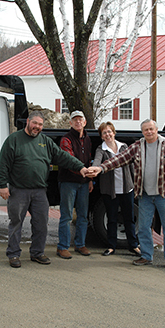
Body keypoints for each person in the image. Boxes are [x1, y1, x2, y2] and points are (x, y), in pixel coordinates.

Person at [88, 119, 165, 271]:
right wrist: (101, 168)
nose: (149, 132)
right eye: (145, 130)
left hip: (163, 195)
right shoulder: (138, 146)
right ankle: (146, 256)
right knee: (144, 228)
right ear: (142, 132)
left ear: (156, 129)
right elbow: (120, 159)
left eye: (151, 129)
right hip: (144, 195)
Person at [0, 111, 90, 268]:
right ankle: (13, 254)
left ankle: (37, 253)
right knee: (16, 223)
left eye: (40, 124)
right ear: (28, 121)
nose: (37, 127)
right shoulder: (13, 140)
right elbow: (3, 163)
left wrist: (81, 168)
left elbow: (62, 156)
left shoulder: (45, 141)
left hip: (40, 191)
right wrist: (3, 185)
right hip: (19, 190)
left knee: (41, 223)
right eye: (35, 123)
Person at [92, 122, 140, 257]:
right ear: (101, 136)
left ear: (114, 132)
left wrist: (135, 184)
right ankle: (111, 246)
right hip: (110, 191)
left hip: (127, 189)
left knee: (129, 218)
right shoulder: (101, 150)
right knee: (112, 219)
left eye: (109, 132)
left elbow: (132, 166)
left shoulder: (124, 147)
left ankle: (133, 246)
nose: (107, 135)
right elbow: (97, 161)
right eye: (104, 133)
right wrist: (94, 169)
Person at [57, 111, 93, 259]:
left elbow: (89, 159)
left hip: (84, 183)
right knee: (66, 216)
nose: (78, 122)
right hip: (68, 182)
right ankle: (63, 247)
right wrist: (83, 171)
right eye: (75, 120)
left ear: (85, 122)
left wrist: (90, 179)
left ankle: (80, 244)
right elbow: (69, 159)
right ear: (70, 123)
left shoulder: (88, 139)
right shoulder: (66, 139)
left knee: (83, 216)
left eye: (80, 120)